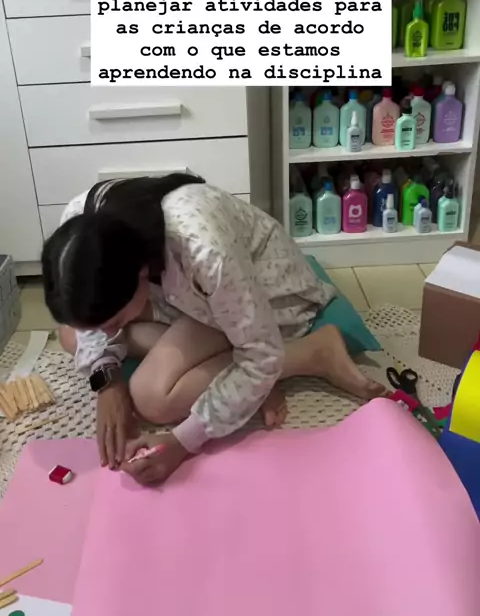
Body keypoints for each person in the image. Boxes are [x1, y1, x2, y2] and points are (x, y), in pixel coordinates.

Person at [42, 174, 384, 486]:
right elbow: (90, 330)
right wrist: (108, 382)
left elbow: (260, 356)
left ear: (141, 271)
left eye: (114, 322)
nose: (107, 333)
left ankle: (310, 353)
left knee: (151, 398)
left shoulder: (205, 253)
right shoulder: (79, 221)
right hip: (184, 296)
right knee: (72, 334)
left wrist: (181, 442)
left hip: (267, 293)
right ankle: (251, 383)